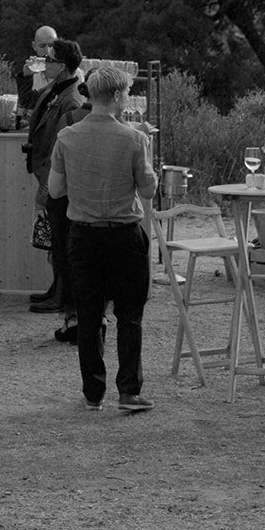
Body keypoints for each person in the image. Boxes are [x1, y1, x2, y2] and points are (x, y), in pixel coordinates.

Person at [48, 63, 158, 413]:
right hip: (124, 234)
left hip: (83, 235)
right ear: (117, 95)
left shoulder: (67, 137)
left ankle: (93, 392)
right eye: (126, 93)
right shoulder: (135, 139)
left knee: (89, 314)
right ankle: (129, 390)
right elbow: (149, 190)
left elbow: (55, 188)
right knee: (130, 315)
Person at [24, 37, 87, 327]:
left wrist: (46, 189)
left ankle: (62, 296)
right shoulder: (55, 88)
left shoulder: (71, 98)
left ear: (62, 66)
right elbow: (30, 104)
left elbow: (60, 150)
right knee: (55, 239)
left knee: (61, 240)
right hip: (45, 170)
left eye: (48, 60)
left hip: (58, 178)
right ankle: (56, 288)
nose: (44, 64)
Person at [15, 24, 58, 117]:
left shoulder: (67, 72)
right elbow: (25, 104)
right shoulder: (32, 72)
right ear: (34, 46)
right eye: (42, 46)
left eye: (51, 46)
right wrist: (26, 78)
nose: (48, 51)